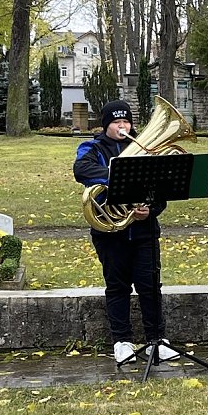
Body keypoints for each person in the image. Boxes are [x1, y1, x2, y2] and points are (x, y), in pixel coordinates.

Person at [73, 100, 179, 365]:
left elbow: (160, 191)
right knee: (117, 286)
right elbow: (81, 169)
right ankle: (122, 341)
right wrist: (120, 173)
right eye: (116, 122)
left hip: (144, 231)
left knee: (150, 286)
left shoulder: (147, 148)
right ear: (106, 125)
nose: (122, 127)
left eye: (126, 122)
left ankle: (157, 339)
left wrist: (150, 210)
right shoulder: (93, 147)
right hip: (110, 233)